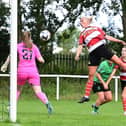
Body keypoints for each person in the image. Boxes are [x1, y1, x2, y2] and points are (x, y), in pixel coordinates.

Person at [75, 16, 126, 103]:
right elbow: (80, 45)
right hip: (92, 53)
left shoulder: (96, 28)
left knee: (120, 63)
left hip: (101, 48)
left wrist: (119, 41)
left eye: (82, 20)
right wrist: (77, 55)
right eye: (80, 21)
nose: (81, 22)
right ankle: (86, 96)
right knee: (91, 74)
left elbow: (107, 37)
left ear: (88, 21)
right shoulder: (82, 33)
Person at [1, 31, 53, 114]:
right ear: (30, 37)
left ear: (22, 37)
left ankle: (11, 106)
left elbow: (11, 55)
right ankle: (47, 103)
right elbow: (41, 60)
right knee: (38, 91)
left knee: (17, 90)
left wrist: (5, 65)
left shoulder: (18, 46)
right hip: (33, 72)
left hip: (22, 71)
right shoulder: (34, 47)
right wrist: (42, 58)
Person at [117, 46, 126, 116]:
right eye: (122, 51)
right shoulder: (119, 60)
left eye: (125, 51)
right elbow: (114, 69)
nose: (123, 52)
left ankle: (125, 112)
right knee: (123, 96)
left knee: (123, 96)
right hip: (122, 81)